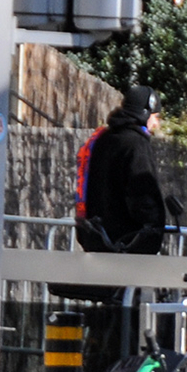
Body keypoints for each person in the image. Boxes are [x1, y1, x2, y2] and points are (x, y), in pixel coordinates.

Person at [74, 84, 169, 257]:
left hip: (96, 238)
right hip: (126, 245)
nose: (156, 123)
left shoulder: (101, 140)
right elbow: (142, 192)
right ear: (145, 113)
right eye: (155, 116)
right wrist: (152, 232)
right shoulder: (135, 144)